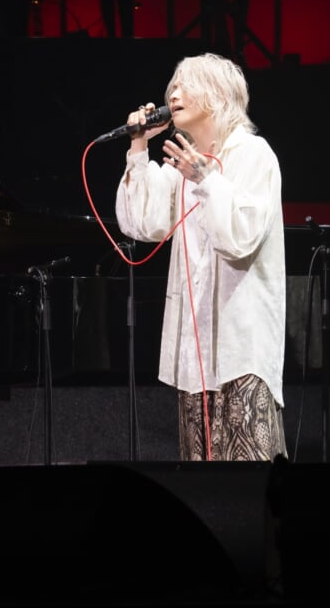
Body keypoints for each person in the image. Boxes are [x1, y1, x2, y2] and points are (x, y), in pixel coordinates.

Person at [114, 52, 287, 461]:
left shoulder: (253, 154)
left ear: (216, 94)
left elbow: (239, 238)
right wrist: (139, 145)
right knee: (200, 478)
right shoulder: (185, 163)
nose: (173, 94)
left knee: (250, 475)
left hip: (242, 350)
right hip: (196, 354)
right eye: (172, 87)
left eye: (184, 86)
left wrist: (207, 180)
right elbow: (143, 223)